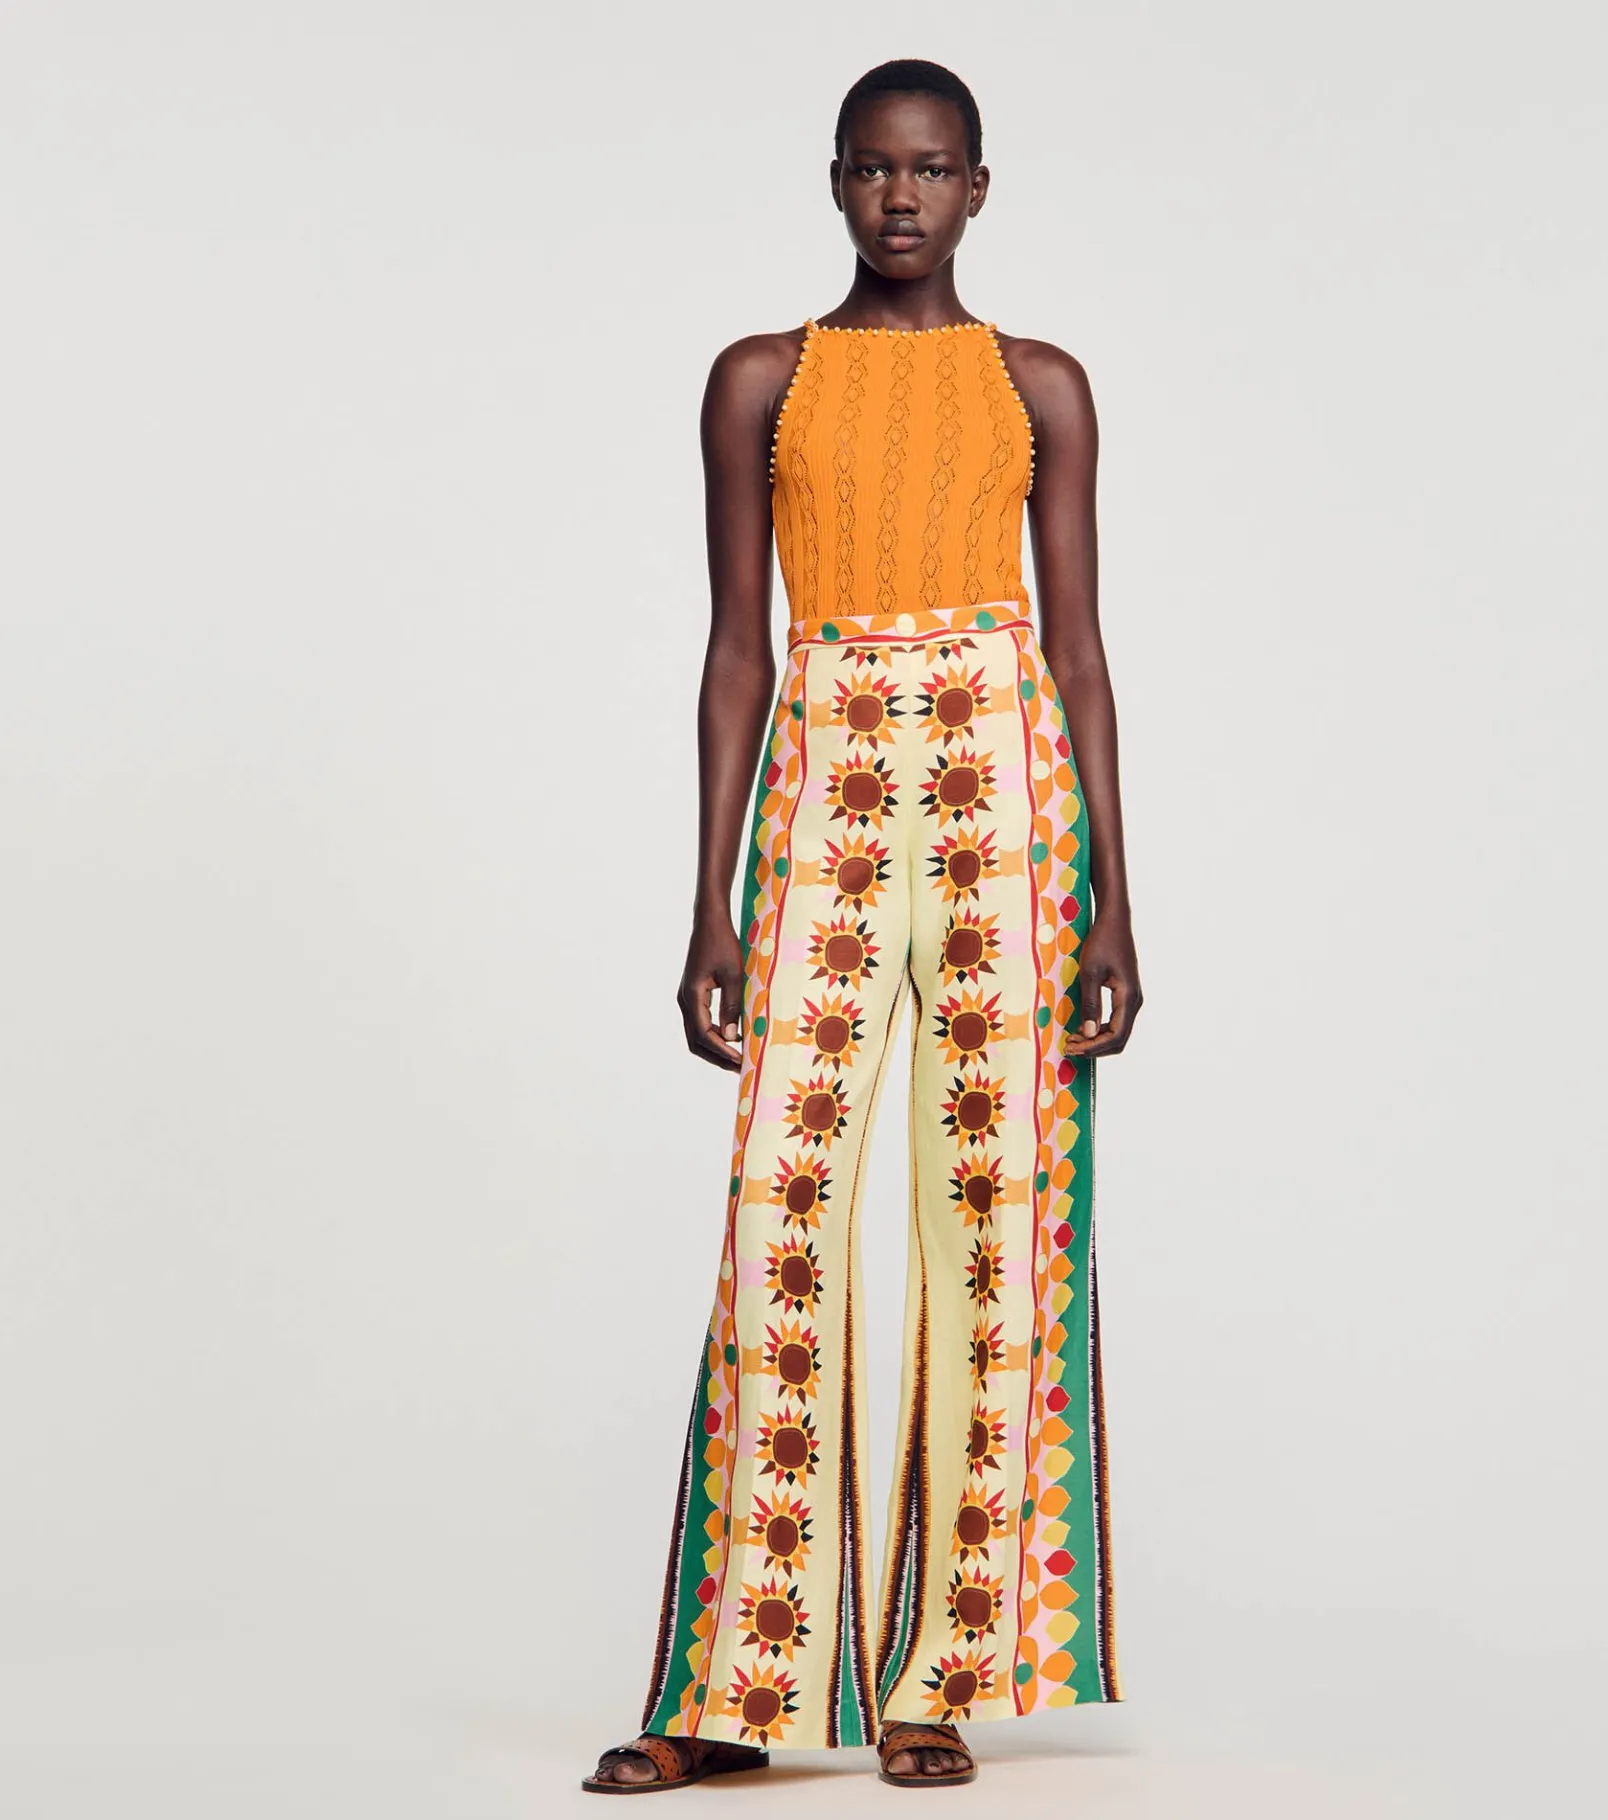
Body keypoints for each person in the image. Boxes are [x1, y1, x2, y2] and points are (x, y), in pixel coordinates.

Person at [584, 57, 1142, 1794]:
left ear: (979, 188)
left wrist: (1117, 901)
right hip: (822, 788)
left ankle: (936, 1674)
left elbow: (1079, 650)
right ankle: (737, 1689)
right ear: (836, 181)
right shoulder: (762, 379)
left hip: (1004, 802)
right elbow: (734, 649)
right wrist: (708, 903)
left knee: (994, 1217)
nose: (904, 196)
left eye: (936, 169)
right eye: (877, 169)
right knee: (783, 1215)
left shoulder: (1040, 384)